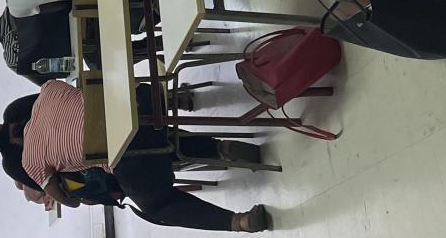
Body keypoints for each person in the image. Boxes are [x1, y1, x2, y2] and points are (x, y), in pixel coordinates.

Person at [20, 80, 271, 231]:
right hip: (143, 104)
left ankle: (239, 222)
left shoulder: (30, 161)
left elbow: (70, 202)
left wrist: (51, 191)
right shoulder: (49, 89)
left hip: (128, 155)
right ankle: (220, 148)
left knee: (157, 206)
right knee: (159, 142)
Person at [0, 9, 80, 85]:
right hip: (79, 11)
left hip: (80, 56)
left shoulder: (13, 62)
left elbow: (48, 83)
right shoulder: (14, 6)